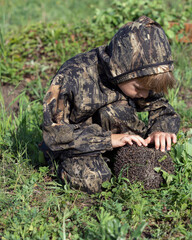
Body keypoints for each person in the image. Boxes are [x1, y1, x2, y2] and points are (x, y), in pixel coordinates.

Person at [41, 16, 181, 193]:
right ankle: (72, 168)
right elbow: (54, 136)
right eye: (139, 88)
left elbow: (162, 109)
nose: (145, 95)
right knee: (92, 180)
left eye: (148, 89)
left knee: (154, 169)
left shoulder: (142, 75)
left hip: (120, 142)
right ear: (120, 71)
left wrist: (160, 130)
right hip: (76, 146)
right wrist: (108, 140)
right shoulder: (73, 75)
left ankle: (121, 162)